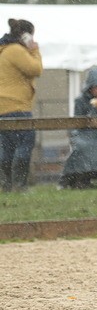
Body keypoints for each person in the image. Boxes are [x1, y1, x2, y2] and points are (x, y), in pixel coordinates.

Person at [0, 18, 43, 192]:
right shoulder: (16, 51)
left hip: (3, 107)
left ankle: (6, 185)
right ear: (26, 35)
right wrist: (34, 51)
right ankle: (20, 185)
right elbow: (36, 69)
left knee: (6, 148)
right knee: (24, 145)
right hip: (17, 106)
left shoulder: (3, 50)